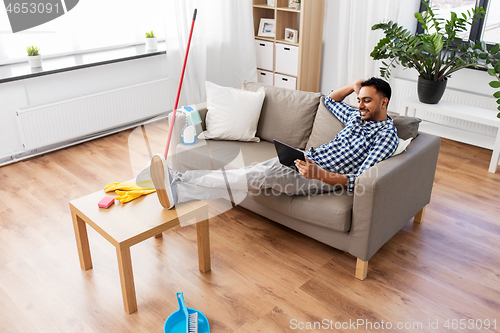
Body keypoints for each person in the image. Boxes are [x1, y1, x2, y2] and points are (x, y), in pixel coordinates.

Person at [143, 77, 399, 209]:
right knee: (247, 175)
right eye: (359, 98)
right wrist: (353, 86)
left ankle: (179, 182)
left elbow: (361, 179)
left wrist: (319, 174)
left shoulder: (385, 135)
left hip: (318, 177)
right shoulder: (357, 117)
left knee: (253, 173)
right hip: (303, 160)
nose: (360, 104)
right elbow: (329, 101)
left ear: (384, 102)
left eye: (367, 100)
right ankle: (179, 190)